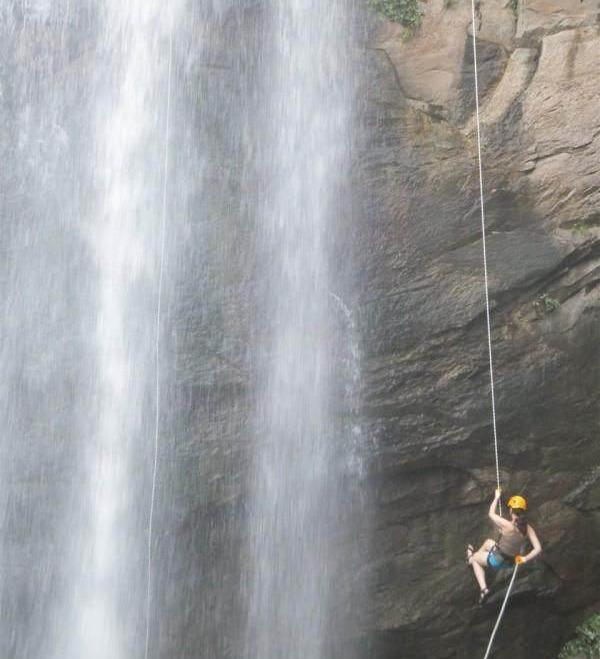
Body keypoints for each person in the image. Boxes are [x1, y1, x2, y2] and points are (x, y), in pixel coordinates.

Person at [466, 488, 542, 604]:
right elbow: (538, 548)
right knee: (488, 542)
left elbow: (491, 514)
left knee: (475, 559)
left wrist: (496, 497)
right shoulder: (527, 528)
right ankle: (475, 558)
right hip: (510, 562)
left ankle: (483, 589)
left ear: (511, 510)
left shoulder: (508, 526)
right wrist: (525, 559)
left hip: (497, 560)